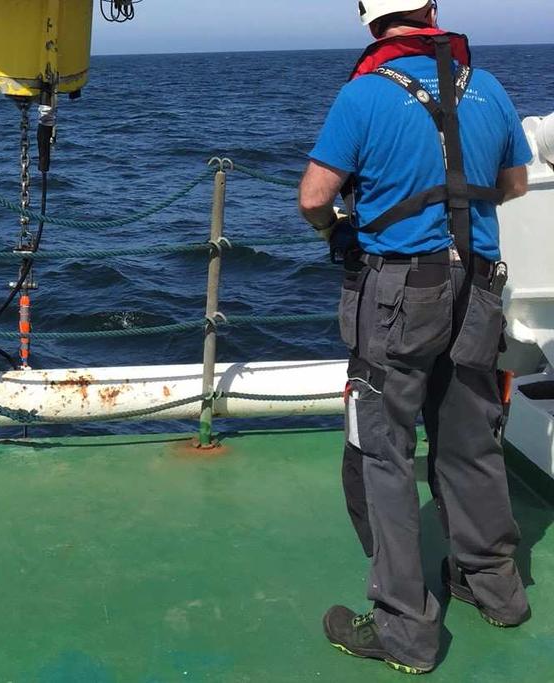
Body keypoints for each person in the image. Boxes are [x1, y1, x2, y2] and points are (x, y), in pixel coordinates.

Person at [298, 0, 533, 674]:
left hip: (400, 296)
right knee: (470, 442)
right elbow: (514, 182)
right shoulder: (485, 85)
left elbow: (315, 196)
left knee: (384, 453)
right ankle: (498, 589)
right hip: (478, 287)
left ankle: (405, 628)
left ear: (372, 21)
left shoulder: (365, 94)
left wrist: (342, 228)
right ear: (431, 10)